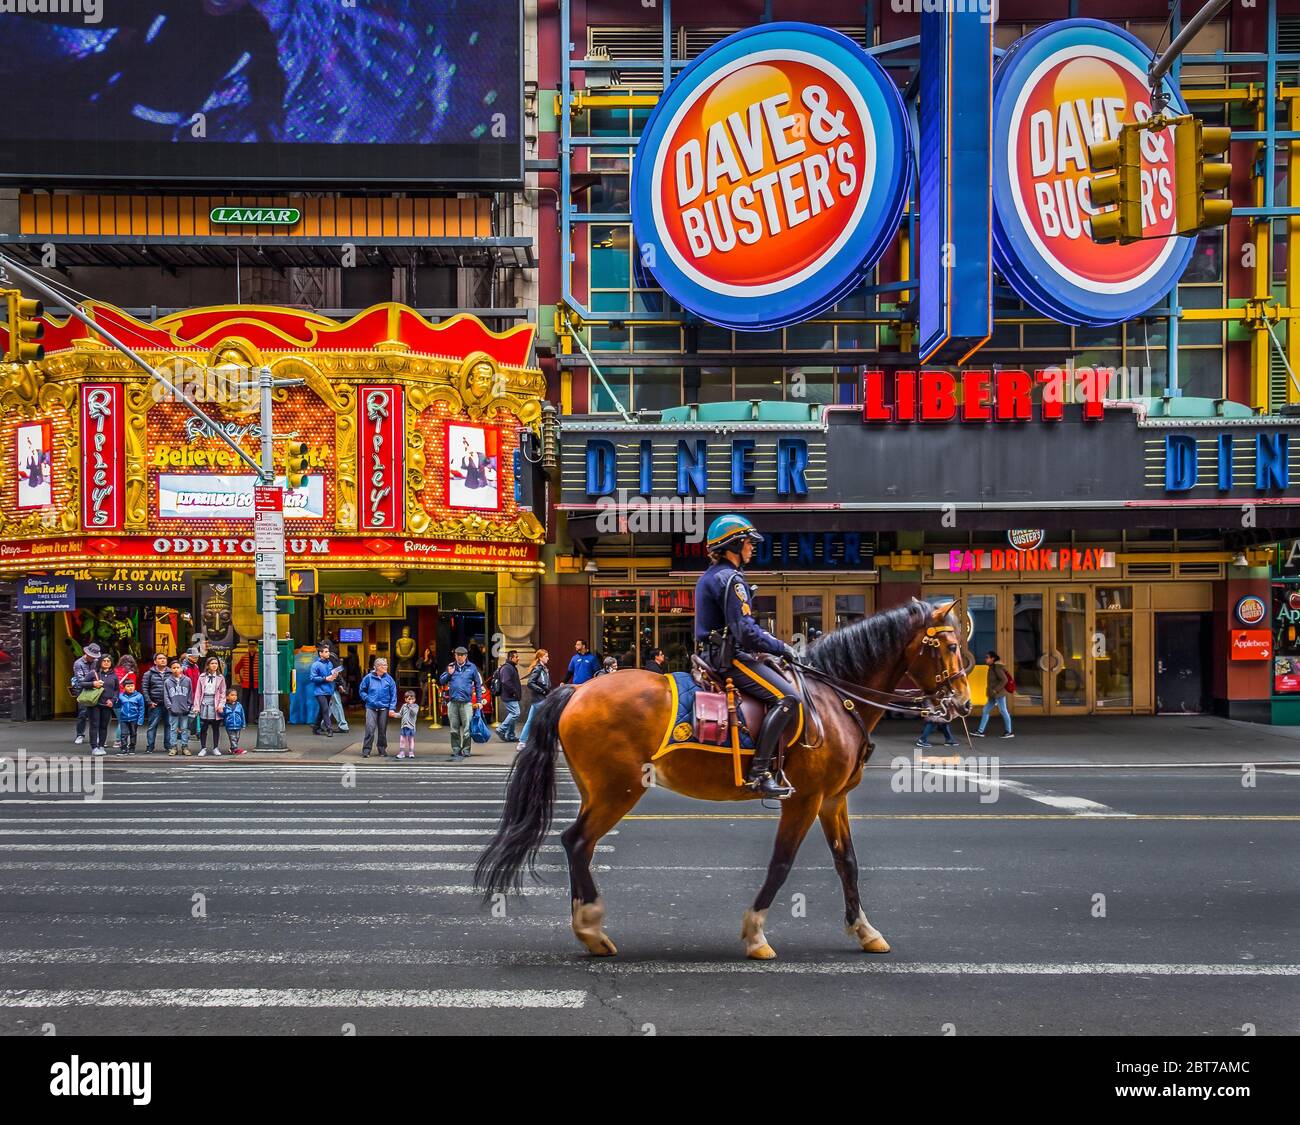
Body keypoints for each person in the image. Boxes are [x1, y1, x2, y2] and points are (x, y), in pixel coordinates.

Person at [694, 513, 800, 799]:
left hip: (715, 653)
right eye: (749, 542)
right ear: (735, 544)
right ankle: (760, 773)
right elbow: (746, 631)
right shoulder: (731, 579)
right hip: (730, 659)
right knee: (789, 698)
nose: (753, 547)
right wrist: (783, 648)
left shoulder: (712, 576)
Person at [439, 646, 482, 761]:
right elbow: (441, 680)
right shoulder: (451, 666)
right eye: (457, 655)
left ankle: (466, 750)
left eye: (462, 655)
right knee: (454, 728)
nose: (459, 657)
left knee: (467, 728)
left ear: (466, 656)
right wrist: (449, 674)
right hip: (453, 703)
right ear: (455, 655)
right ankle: (456, 749)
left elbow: (478, 685)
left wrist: (479, 701)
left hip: (466, 703)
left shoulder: (472, 667)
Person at [359, 657, 398, 759]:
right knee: (370, 729)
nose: (386, 667)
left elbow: (393, 694)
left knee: (382, 730)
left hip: (384, 707)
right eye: (384, 665)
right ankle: (366, 750)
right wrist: (367, 699)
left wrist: (392, 708)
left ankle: (382, 749)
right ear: (377, 667)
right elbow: (362, 690)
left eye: (386, 665)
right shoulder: (368, 678)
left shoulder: (389, 679)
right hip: (371, 707)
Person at [971, 651, 1014, 739]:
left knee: (1003, 711)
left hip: (998, 694)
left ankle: (1009, 732)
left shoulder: (997, 667)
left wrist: (995, 690)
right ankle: (980, 731)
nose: (985, 659)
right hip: (993, 694)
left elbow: (1004, 680)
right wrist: (992, 692)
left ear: (992, 658)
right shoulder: (992, 667)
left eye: (987, 657)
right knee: (986, 710)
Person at [514, 649, 550, 753]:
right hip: (540, 699)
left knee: (530, 721)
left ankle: (522, 742)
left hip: (538, 699)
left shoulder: (543, 668)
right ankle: (550, 742)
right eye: (546, 656)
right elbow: (530, 682)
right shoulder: (538, 668)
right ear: (540, 658)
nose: (548, 658)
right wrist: (542, 690)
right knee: (548, 720)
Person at [85, 654, 120, 758]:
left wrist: (113, 700)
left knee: (104, 726)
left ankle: (101, 746)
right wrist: (93, 683)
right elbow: (82, 683)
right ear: (100, 662)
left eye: (108, 661)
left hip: (107, 704)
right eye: (104, 660)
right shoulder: (94, 673)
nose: (106, 662)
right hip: (94, 703)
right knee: (94, 725)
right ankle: (94, 747)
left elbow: (117, 690)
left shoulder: (114, 675)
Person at [193, 656, 227, 756]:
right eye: (212, 663)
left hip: (215, 703)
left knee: (216, 727)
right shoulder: (202, 677)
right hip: (204, 702)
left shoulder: (220, 678)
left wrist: (221, 705)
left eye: (216, 663)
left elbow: (222, 693)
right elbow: (198, 693)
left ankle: (215, 747)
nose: (214, 665)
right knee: (204, 727)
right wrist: (196, 706)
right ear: (208, 665)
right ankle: (203, 748)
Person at [140, 651, 172, 755]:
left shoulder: (171, 673)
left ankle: (168, 746)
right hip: (155, 703)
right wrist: (149, 702)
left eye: (164, 658)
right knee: (152, 725)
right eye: (160, 658)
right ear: (155, 661)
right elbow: (144, 689)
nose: (163, 660)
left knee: (169, 725)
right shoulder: (148, 674)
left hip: (168, 704)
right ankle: (150, 746)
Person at [71, 643, 102, 745]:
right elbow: (81, 681)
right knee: (82, 713)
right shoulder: (78, 663)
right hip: (83, 689)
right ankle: (80, 734)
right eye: (92, 656)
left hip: (96, 688)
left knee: (96, 714)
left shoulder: (96, 662)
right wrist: (93, 683)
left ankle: (96, 735)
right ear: (86, 653)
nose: (93, 658)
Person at [163, 660, 194, 756]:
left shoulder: (187, 680)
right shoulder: (168, 681)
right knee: (173, 729)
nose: (176, 669)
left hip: (184, 708)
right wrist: (169, 706)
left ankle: (185, 746)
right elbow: (166, 695)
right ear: (171, 669)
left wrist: (189, 705)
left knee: (184, 729)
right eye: (174, 668)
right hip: (173, 709)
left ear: (181, 668)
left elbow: (190, 693)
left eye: (178, 667)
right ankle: (173, 747)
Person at [310, 642, 340, 736]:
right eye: (326, 652)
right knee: (325, 709)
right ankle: (329, 729)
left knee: (322, 710)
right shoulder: (315, 665)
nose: (328, 653)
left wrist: (335, 675)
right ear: (321, 653)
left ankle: (315, 727)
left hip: (328, 690)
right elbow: (312, 678)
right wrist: (325, 678)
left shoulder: (330, 663)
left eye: (328, 651)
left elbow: (331, 674)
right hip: (319, 691)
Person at [494, 651, 522, 741]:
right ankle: (501, 729)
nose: (518, 658)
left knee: (512, 714)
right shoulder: (507, 668)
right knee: (515, 713)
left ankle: (511, 735)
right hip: (509, 695)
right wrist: (514, 691)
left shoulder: (511, 667)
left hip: (511, 695)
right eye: (516, 657)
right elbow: (505, 681)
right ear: (511, 658)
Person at [115, 677, 145, 755]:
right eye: (128, 686)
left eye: (132, 686)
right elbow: (117, 706)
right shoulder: (121, 696)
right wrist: (116, 701)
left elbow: (142, 708)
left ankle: (132, 748)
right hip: (124, 718)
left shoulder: (139, 696)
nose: (130, 688)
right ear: (124, 687)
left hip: (134, 718)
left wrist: (140, 719)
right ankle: (124, 748)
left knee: (133, 733)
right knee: (123, 734)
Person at [328, 651, 350, 733]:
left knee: (335, 703)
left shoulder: (330, 657)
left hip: (332, 684)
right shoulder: (334, 656)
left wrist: (339, 684)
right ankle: (322, 723)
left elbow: (336, 672)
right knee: (330, 704)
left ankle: (343, 725)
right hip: (332, 684)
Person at [397, 691, 420, 759]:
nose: (410, 700)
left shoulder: (416, 706)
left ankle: (411, 752)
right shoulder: (404, 706)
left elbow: (414, 713)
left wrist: (410, 706)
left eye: (412, 699)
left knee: (411, 739)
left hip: (411, 727)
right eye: (409, 699)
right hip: (404, 726)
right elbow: (400, 714)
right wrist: (394, 714)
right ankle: (402, 752)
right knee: (402, 739)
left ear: (414, 699)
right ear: (405, 699)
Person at [223, 689, 247, 755]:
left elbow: (242, 715)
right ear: (227, 697)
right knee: (232, 737)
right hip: (229, 725)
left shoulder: (239, 705)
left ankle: (232, 749)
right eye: (232, 695)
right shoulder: (225, 706)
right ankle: (236, 749)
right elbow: (223, 715)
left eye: (235, 695)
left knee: (237, 737)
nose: (234, 697)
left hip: (238, 725)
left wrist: (243, 724)